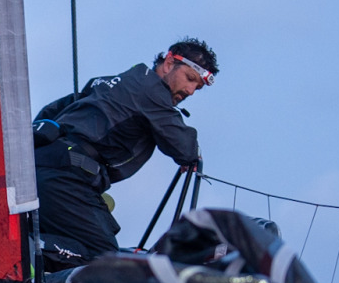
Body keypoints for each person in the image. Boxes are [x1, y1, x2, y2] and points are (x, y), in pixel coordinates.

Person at [32, 38, 219, 270]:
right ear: (169, 63)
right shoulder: (151, 91)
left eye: (197, 88)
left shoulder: (110, 82)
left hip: (43, 170)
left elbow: (51, 111)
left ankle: (31, 261)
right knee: (105, 261)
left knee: (78, 249)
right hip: (67, 177)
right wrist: (194, 156)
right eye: (190, 78)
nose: (190, 90)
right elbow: (184, 147)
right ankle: (27, 251)